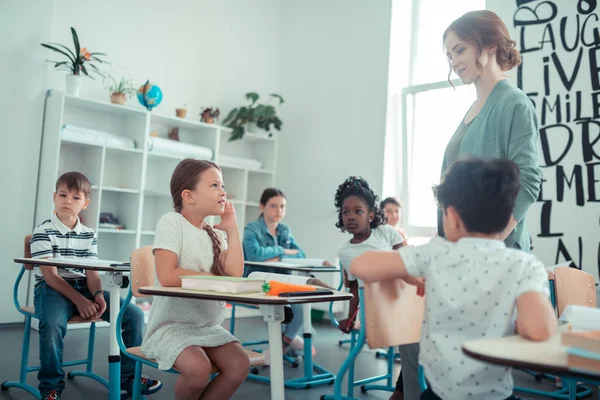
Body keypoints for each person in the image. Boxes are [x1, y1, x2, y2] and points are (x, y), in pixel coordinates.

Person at [351, 159, 557, 400]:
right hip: (497, 395)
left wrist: (409, 274)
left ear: (452, 216)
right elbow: (540, 329)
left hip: (440, 394)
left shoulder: (434, 253)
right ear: (508, 216)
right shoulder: (524, 265)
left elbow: (360, 265)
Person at [31, 172, 161, 400]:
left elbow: (91, 274)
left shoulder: (89, 234)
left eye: (75, 197)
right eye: (62, 195)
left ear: (85, 203)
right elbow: (50, 277)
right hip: (52, 289)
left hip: (83, 287)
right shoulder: (43, 231)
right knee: (52, 325)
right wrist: (80, 301)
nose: (68, 201)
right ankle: (51, 388)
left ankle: (128, 379)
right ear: (54, 197)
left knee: (134, 315)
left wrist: (99, 295)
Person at [142, 159, 249, 400]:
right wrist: (211, 279)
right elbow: (168, 276)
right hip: (170, 327)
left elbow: (234, 275)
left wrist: (232, 231)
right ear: (189, 196)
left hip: (206, 327)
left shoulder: (213, 233)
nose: (223, 191)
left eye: (222, 186)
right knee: (198, 370)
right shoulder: (171, 223)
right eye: (215, 185)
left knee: (239, 364)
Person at [440, 10, 541, 252]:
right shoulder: (471, 111)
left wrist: (489, 242)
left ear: (490, 45)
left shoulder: (514, 103)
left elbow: (527, 182)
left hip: (498, 254)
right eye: (449, 55)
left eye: (460, 50)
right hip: (461, 253)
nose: (453, 62)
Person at [335, 177, 420, 400]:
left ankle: (404, 392)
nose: (351, 216)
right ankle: (408, 393)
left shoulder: (386, 233)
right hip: (377, 309)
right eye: (345, 212)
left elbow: (408, 262)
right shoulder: (345, 252)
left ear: (371, 215)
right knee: (417, 339)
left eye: (357, 211)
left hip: (402, 299)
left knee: (424, 338)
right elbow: (354, 289)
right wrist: (350, 318)